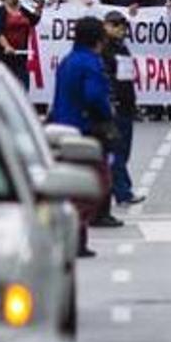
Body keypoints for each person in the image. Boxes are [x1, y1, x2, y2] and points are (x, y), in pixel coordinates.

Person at [49, 16, 119, 256]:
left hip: (63, 126)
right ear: (99, 39)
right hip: (85, 130)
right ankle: (76, 232)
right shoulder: (92, 63)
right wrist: (107, 114)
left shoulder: (68, 60)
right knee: (97, 183)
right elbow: (94, 96)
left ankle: (76, 237)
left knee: (72, 184)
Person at [102, 11, 145, 207]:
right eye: (116, 25)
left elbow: (126, 77)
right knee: (117, 150)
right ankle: (123, 192)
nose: (121, 29)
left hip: (126, 103)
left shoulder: (122, 47)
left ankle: (114, 187)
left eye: (123, 26)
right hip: (115, 105)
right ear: (106, 26)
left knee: (124, 151)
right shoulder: (104, 49)